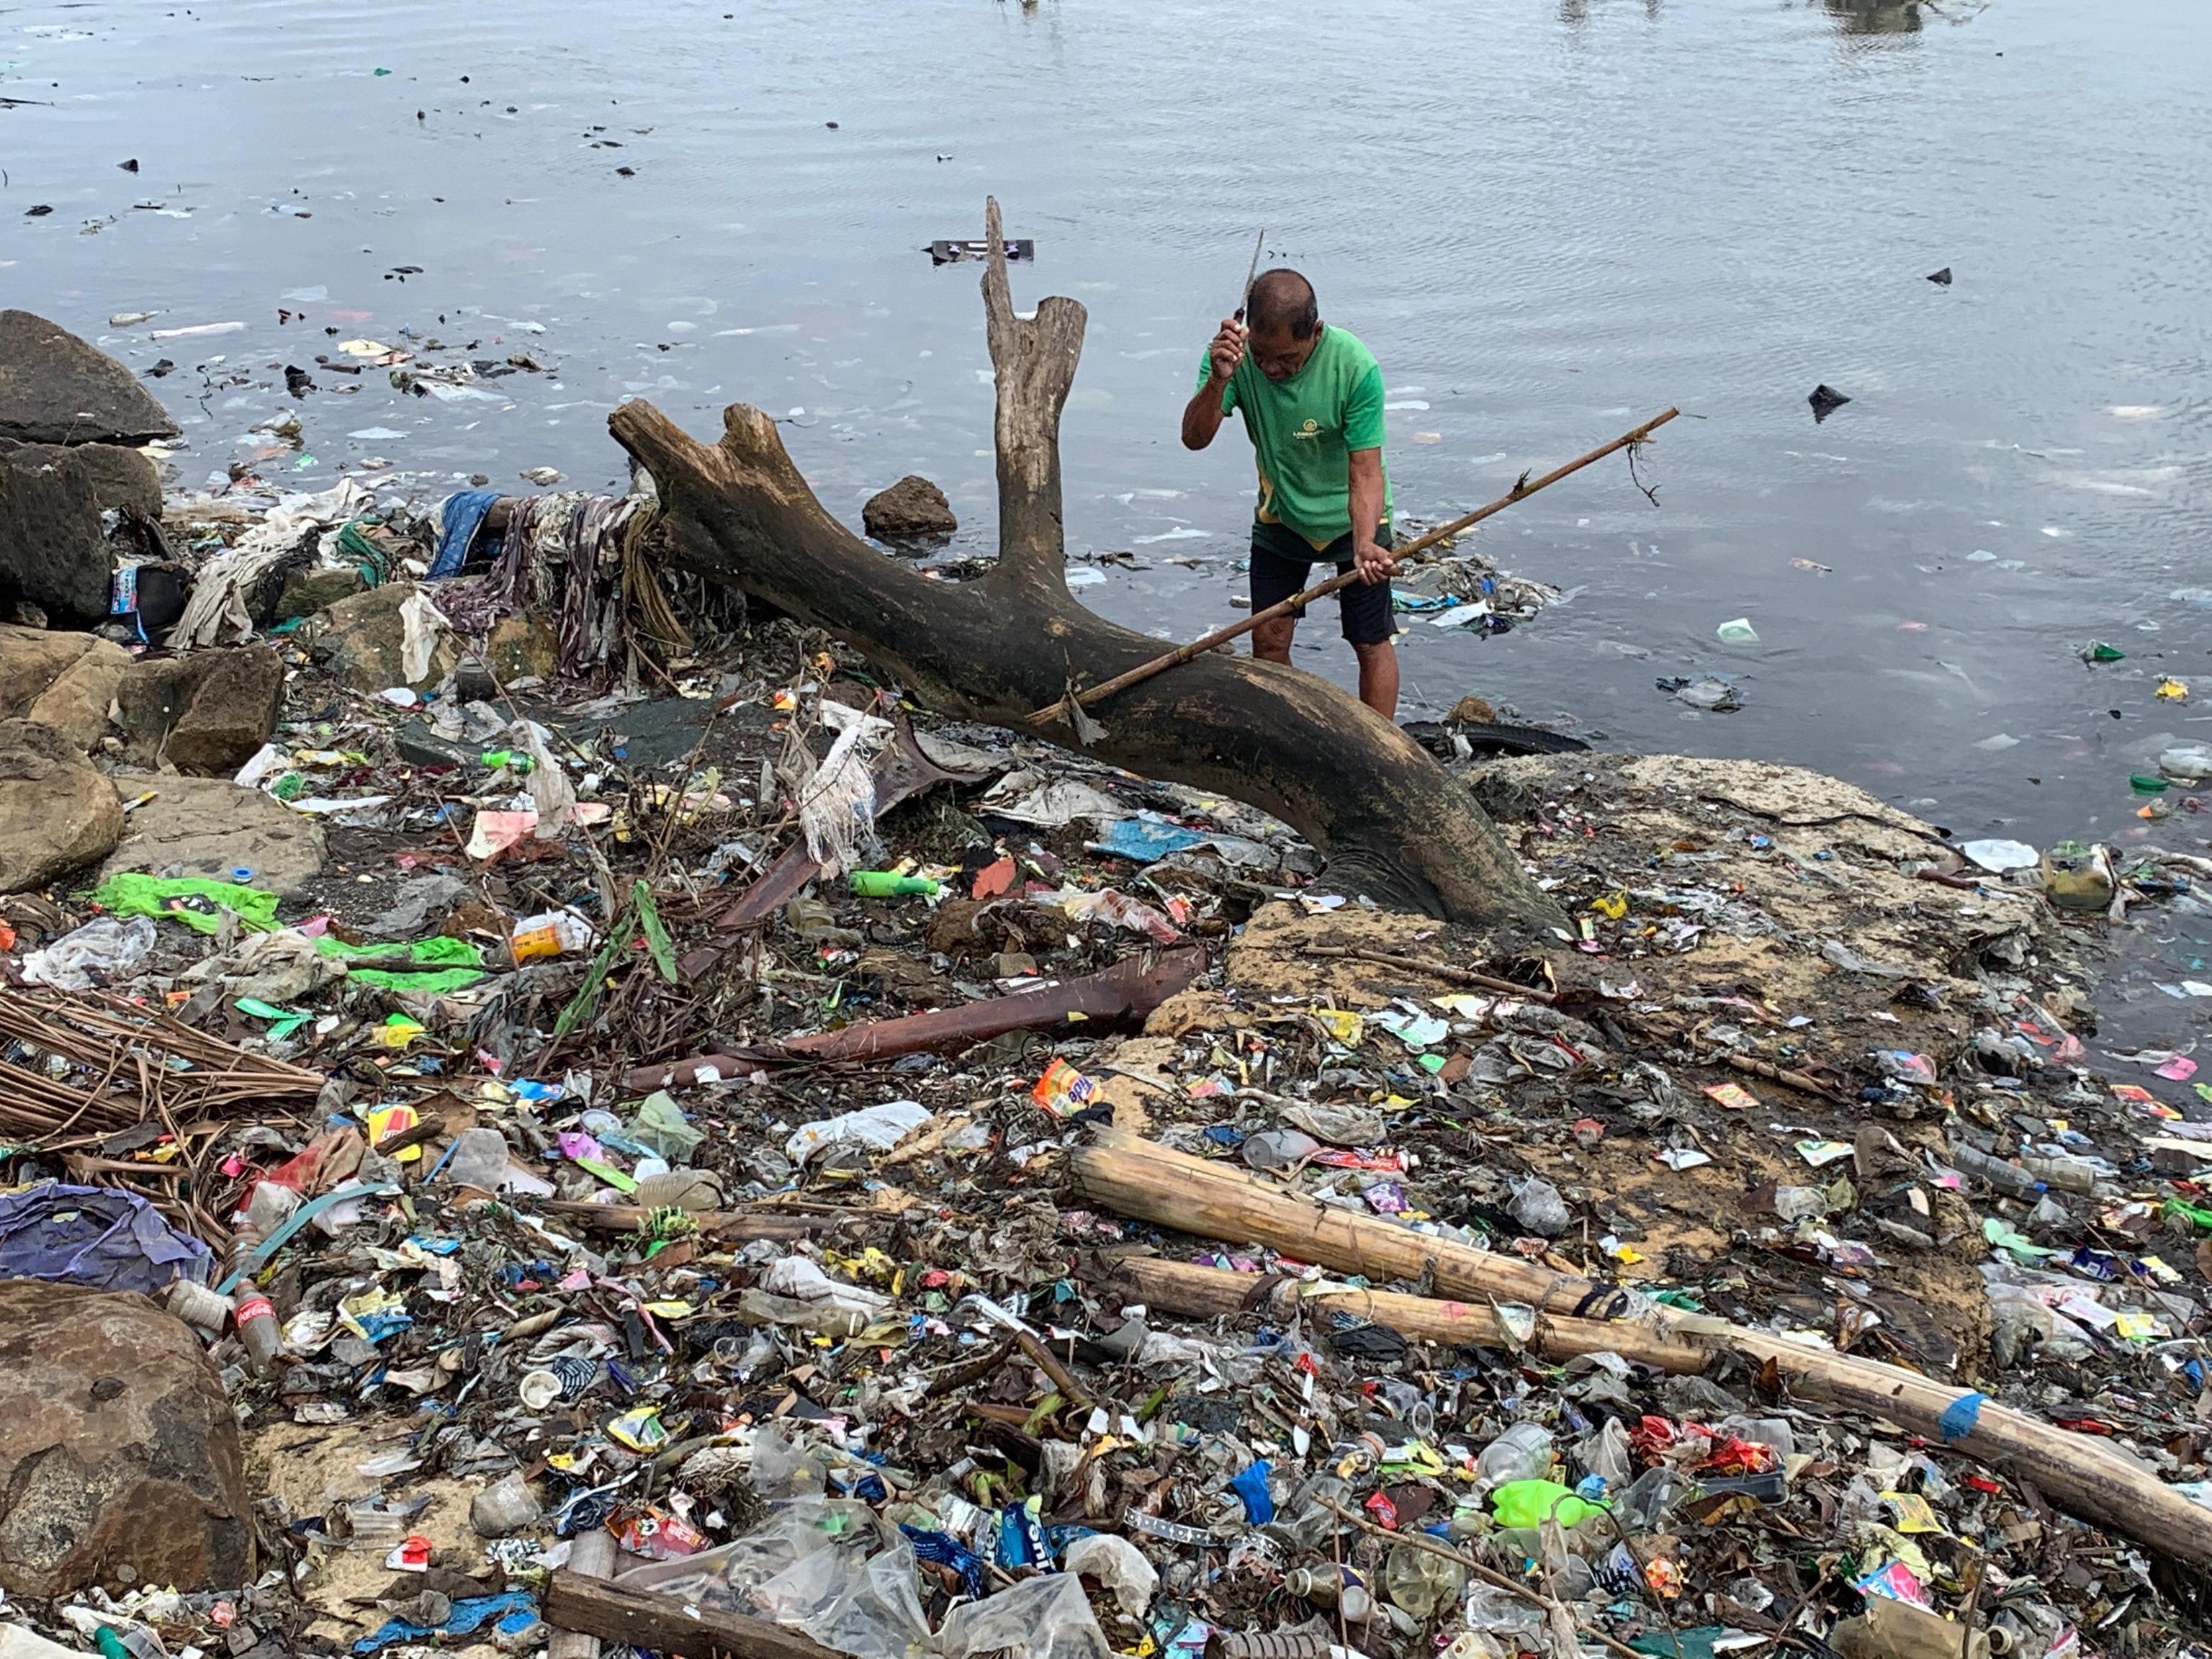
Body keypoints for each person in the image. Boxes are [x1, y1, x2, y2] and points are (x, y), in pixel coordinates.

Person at [1180, 267, 1398, 717]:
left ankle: (1383, 752)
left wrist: (1364, 544)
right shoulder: (1233, 357)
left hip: (1355, 515)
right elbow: (1194, 438)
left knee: (1369, 638)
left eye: (1287, 359)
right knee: (1269, 638)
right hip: (1282, 515)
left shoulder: (1354, 366)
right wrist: (1219, 380)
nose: (1271, 369)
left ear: (1314, 333)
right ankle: (1290, 733)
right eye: (1262, 355)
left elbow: (1366, 472)